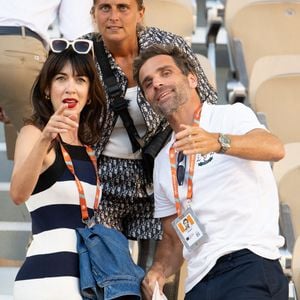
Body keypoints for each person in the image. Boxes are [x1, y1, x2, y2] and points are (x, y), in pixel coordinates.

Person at [133, 44, 288, 300]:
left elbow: (274, 148)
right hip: (198, 281)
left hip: (247, 262)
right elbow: (173, 239)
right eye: (148, 83)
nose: (157, 84)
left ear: (192, 78)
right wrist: (158, 272)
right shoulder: (162, 161)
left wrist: (218, 142)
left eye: (165, 73)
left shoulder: (230, 116)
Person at [83, 0, 218, 272]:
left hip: (159, 172)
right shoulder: (82, 53)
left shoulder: (168, 45)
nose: (113, 17)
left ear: (140, 13)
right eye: (105, 8)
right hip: (102, 179)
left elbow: (207, 102)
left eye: (123, 7)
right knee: (109, 275)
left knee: (159, 274)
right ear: (94, 14)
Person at [9, 40, 106, 299]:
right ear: (46, 90)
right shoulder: (33, 132)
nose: (70, 88)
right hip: (46, 280)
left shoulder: (90, 146)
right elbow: (18, 193)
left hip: (88, 280)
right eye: (61, 78)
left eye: (80, 80)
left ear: (89, 92)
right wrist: (45, 138)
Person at [0, 0, 94, 159]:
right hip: (19, 50)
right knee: (45, 152)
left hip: (14, 53)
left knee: (25, 148)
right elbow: (76, 31)